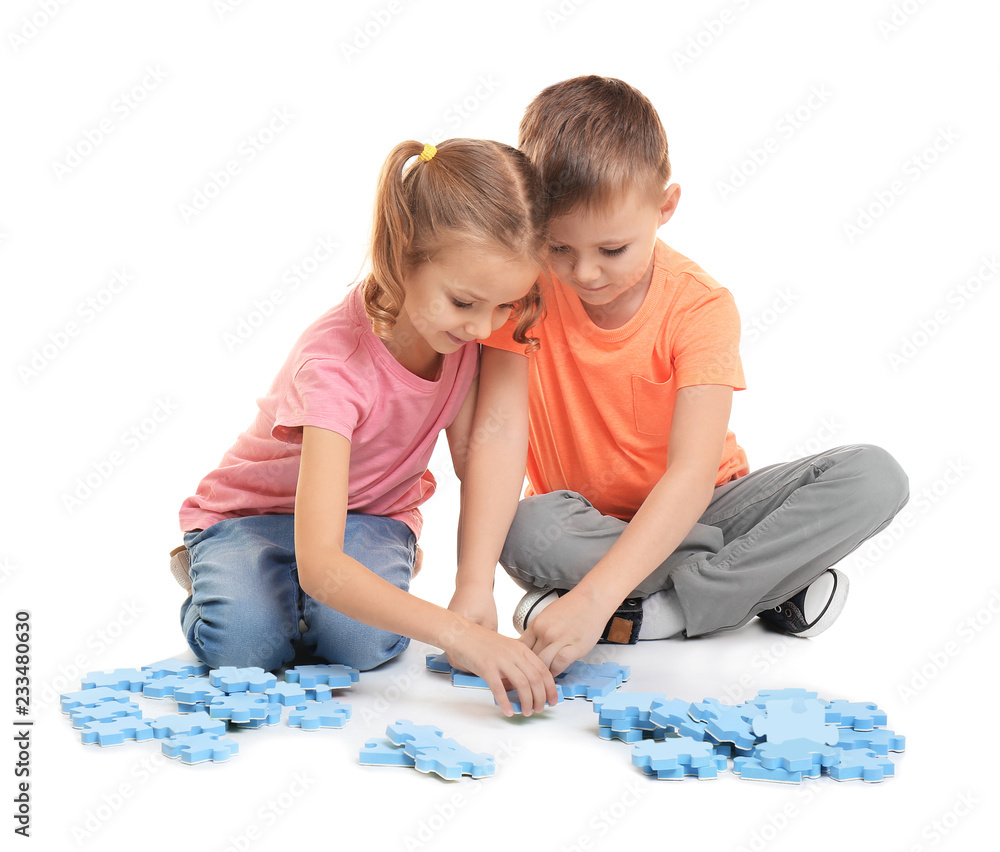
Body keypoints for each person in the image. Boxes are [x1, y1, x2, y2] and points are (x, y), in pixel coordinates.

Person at [480, 76, 910, 675]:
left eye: (612, 250)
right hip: (582, 522)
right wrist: (471, 588)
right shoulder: (520, 293)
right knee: (522, 529)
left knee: (874, 476)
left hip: (707, 506)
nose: (585, 273)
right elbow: (496, 434)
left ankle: (661, 611)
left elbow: (689, 472)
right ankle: (764, 580)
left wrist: (592, 600)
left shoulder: (700, 306)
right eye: (558, 249)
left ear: (666, 207)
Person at [171, 138, 559, 716]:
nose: (483, 328)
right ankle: (215, 571)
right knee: (243, 648)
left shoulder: (459, 339)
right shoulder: (333, 367)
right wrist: (459, 634)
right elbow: (324, 563)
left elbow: (475, 463)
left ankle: (317, 597)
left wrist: (475, 586)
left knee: (362, 645)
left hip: (367, 519)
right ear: (402, 256)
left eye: (505, 307)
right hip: (250, 520)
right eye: (464, 303)